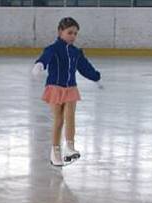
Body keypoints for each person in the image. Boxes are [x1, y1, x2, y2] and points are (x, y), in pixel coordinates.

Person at [32, 17, 102, 166]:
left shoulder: (76, 52)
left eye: (75, 33)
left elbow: (84, 67)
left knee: (70, 114)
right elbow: (46, 57)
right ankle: (55, 151)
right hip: (55, 88)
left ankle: (70, 146)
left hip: (71, 88)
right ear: (60, 32)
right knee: (58, 120)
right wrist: (40, 64)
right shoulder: (53, 48)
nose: (73, 36)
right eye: (70, 32)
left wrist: (95, 76)